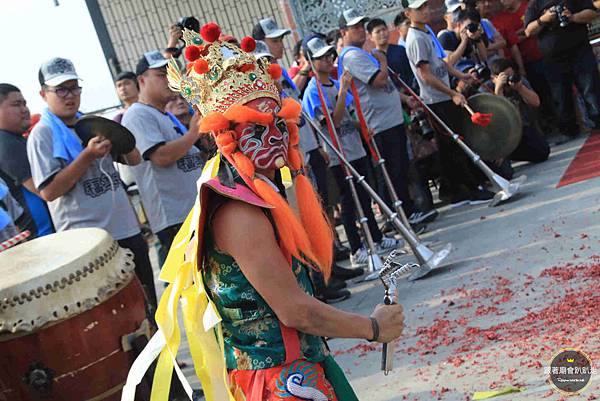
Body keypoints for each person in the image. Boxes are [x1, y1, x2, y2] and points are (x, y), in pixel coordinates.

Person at [144, 24, 405, 400]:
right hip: (278, 382)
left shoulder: (259, 191)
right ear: (227, 135)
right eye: (256, 130)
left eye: (278, 126)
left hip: (299, 369)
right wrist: (372, 327)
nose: (274, 139)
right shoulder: (237, 211)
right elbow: (294, 310)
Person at [27, 57, 157, 311]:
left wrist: (120, 140)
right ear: (44, 94)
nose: (70, 96)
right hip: (86, 245)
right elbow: (50, 191)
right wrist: (86, 156)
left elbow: (134, 158)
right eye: (61, 89)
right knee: (115, 319)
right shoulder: (42, 133)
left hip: (127, 233)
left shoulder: (93, 124)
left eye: (74, 87)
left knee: (150, 309)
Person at [252, 25, 360, 300]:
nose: (272, 64)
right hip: (289, 164)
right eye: (264, 63)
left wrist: (316, 148)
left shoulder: (284, 82)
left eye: (271, 62)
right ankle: (317, 285)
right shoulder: (263, 96)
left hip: (308, 154)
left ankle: (329, 267)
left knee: (319, 213)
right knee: (302, 222)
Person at [302, 34, 404, 268]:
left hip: (355, 148)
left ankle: (375, 238)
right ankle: (356, 247)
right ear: (311, 61)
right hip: (338, 153)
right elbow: (333, 122)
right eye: (321, 58)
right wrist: (344, 89)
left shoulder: (335, 84)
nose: (328, 61)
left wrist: (362, 126)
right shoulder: (313, 91)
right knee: (349, 202)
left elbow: (348, 113)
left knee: (364, 197)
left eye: (329, 55)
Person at [338, 8, 438, 224]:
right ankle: (401, 216)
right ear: (343, 32)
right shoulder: (352, 56)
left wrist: (404, 99)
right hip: (379, 124)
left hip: (391, 119)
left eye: (361, 26)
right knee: (393, 172)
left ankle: (408, 212)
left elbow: (388, 85)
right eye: (354, 28)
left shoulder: (363, 53)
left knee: (400, 168)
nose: (361, 31)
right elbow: (379, 80)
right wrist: (382, 59)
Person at [404, 0, 494, 204]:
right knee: (454, 144)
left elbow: (441, 64)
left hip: (443, 95)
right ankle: (470, 189)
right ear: (409, 13)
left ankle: (453, 191)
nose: (425, 11)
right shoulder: (416, 38)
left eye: (426, 6)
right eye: (420, 9)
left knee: (449, 146)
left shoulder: (426, 31)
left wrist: (460, 76)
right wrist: (451, 92)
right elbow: (425, 75)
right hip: (436, 99)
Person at [121, 51, 205, 263]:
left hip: (192, 211)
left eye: (171, 73)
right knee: (188, 287)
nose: (169, 79)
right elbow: (160, 156)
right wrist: (193, 133)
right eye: (161, 74)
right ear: (141, 80)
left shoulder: (164, 114)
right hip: (175, 218)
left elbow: (188, 150)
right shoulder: (137, 114)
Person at [524, 0, 600, 136]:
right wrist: (543, 19)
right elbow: (529, 31)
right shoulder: (535, 3)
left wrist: (573, 17)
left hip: (580, 51)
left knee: (591, 89)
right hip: (553, 59)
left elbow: (592, 12)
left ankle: (598, 122)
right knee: (560, 96)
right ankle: (569, 130)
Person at [491, 0, 558, 130]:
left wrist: (526, 32)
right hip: (523, 63)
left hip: (544, 55)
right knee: (538, 93)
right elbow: (512, 41)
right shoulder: (501, 18)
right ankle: (548, 125)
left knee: (555, 90)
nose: (502, 1)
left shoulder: (530, 7)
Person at [0, 83, 54, 238]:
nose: (24, 109)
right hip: (41, 232)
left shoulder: (16, 139)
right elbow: (45, 191)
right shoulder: (5, 142)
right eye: (16, 104)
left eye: (25, 103)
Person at [491, 58, 550, 164]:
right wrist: (498, 90)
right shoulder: (487, 87)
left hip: (522, 129)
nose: (509, 78)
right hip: (502, 135)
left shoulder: (518, 81)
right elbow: (497, 116)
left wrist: (520, 88)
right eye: (505, 76)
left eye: (511, 74)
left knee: (543, 152)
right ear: (494, 78)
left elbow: (536, 102)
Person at [366, 18, 418, 93]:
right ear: (371, 37)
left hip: (410, 92)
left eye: (384, 29)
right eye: (378, 32)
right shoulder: (371, 57)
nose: (382, 33)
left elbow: (411, 72)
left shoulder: (400, 50)